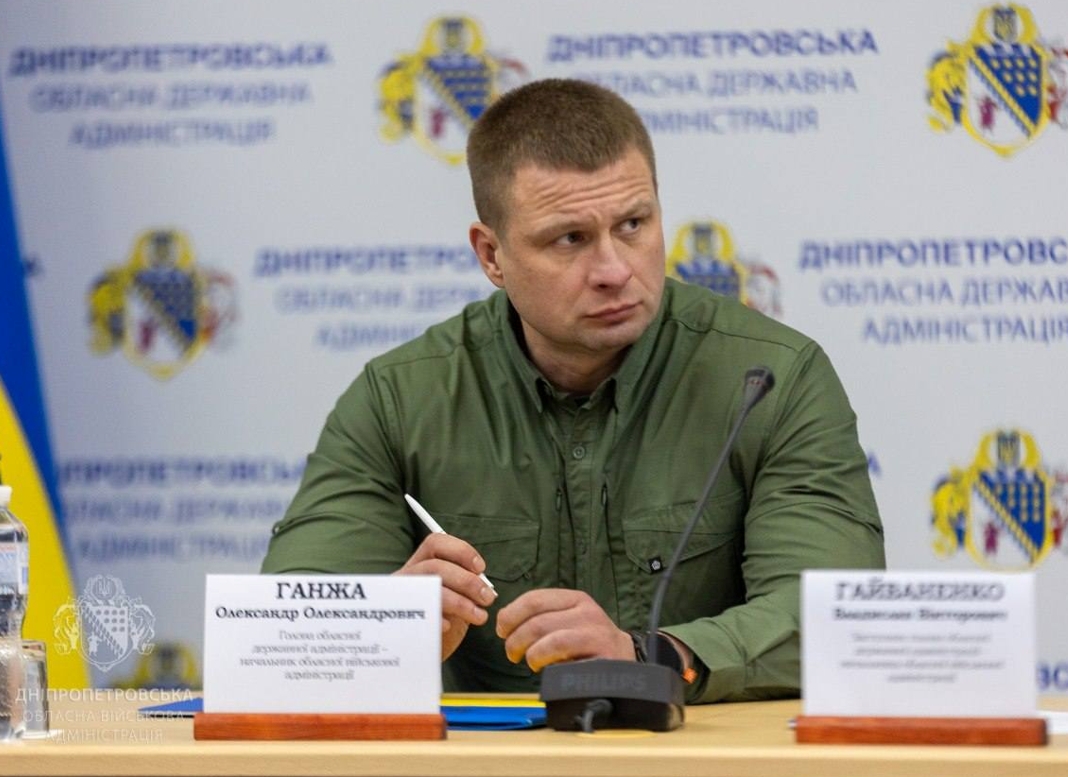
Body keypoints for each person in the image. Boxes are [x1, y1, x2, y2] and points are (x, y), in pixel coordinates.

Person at [261, 78, 885, 703]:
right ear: (492, 255)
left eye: (633, 224)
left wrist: (648, 657)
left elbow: (834, 619)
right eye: (570, 239)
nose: (615, 270)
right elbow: (285, 637)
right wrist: (384, 631)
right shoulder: (400, 399)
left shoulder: (772, 379)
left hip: (696, 748)